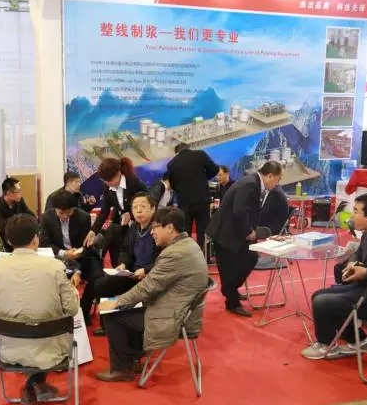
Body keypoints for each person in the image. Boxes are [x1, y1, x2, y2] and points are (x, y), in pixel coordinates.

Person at [96, 207, 208, 382]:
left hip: (175, 317)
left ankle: (122, 368)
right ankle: (133, 358)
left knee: (111, 313)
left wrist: (117, 302)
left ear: (169, 228)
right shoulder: (188, 245)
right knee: (127, 306)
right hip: (184, 311)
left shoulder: (174, 253)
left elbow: (147, 287)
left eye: (155, 227)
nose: (152, 232)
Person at [0, 214, 79, 404]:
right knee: (43, 323)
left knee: (30, 324)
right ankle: (36, 383)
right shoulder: (55, 267)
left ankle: (33, 384)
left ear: (9, 241)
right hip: (51, 347)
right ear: (36, 238)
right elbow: (72, 309)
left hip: (7, 349)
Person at [302, 192, 367, 360]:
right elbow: (358, 252)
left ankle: (325, 345)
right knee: (318, 295)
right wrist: (352, 263)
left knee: (323, 302)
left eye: (356, 211)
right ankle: (359, 341)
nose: (351, 215)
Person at [206, 161, 283, 317]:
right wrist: (249, 232)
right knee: (230, 268)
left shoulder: (254, 183)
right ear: (270, 176)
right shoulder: (250, 184)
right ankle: (232, 301)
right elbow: (239, 211)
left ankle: (230, 290)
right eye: (277, 179)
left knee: (250, 258)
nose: (277, 183)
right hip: (226, 233)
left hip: (236, 232)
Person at [92, 192, 159, 335]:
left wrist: (146, 270)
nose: (138, 211)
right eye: (135, 207)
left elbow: (164, 260)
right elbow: (125, 250)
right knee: (101, 284)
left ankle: (132, 327)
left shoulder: (158, 229)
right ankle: (107, 326)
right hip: (133, 274)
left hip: (151, 277)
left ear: (153, 208)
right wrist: (123, 264)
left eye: (142, 206)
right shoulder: (134, 227)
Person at [39, 190, 103, 324]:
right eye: (61, 213)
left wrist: (78, 271)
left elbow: (86, 246)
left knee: (97, 276)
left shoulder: (83, 217)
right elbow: (44, 244)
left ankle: (84, 310)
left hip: (82, 256)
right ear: (55, 209)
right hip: (58, 257)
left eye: (68, 213)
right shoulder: (46, 218)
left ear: (74, 209)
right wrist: (64, 253)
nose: (64, 216)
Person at [83, 157, 148, 266]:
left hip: (136, 226)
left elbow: (147, 203)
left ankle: (100, 251)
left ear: (118, 173)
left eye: (110, 180)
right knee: (115, 253)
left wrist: (131, 213)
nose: (107, 183)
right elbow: (104, 211)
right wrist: (93, 231)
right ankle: (100, 255)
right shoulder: (107, 188)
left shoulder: (134, 183)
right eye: (105, 181)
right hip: (120, 224)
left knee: (116, 234)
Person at [166, 142, 219, 251]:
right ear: (189, 148)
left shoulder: (172, 164)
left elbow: (173, 185)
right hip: (202, 199)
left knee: (185, 232)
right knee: (203, 231)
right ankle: (203, 254)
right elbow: (215, 169)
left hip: (184, 202)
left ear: (176, 153)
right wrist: (204, 178)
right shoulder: (200, 154)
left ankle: (188, 255)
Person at [0, 177, 35, 252]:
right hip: (5, 243)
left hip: (20, 238)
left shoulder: (20, 201)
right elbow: (3, 228)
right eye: (18, 191)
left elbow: (29, 215)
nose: (21, 194)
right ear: (8, 193)